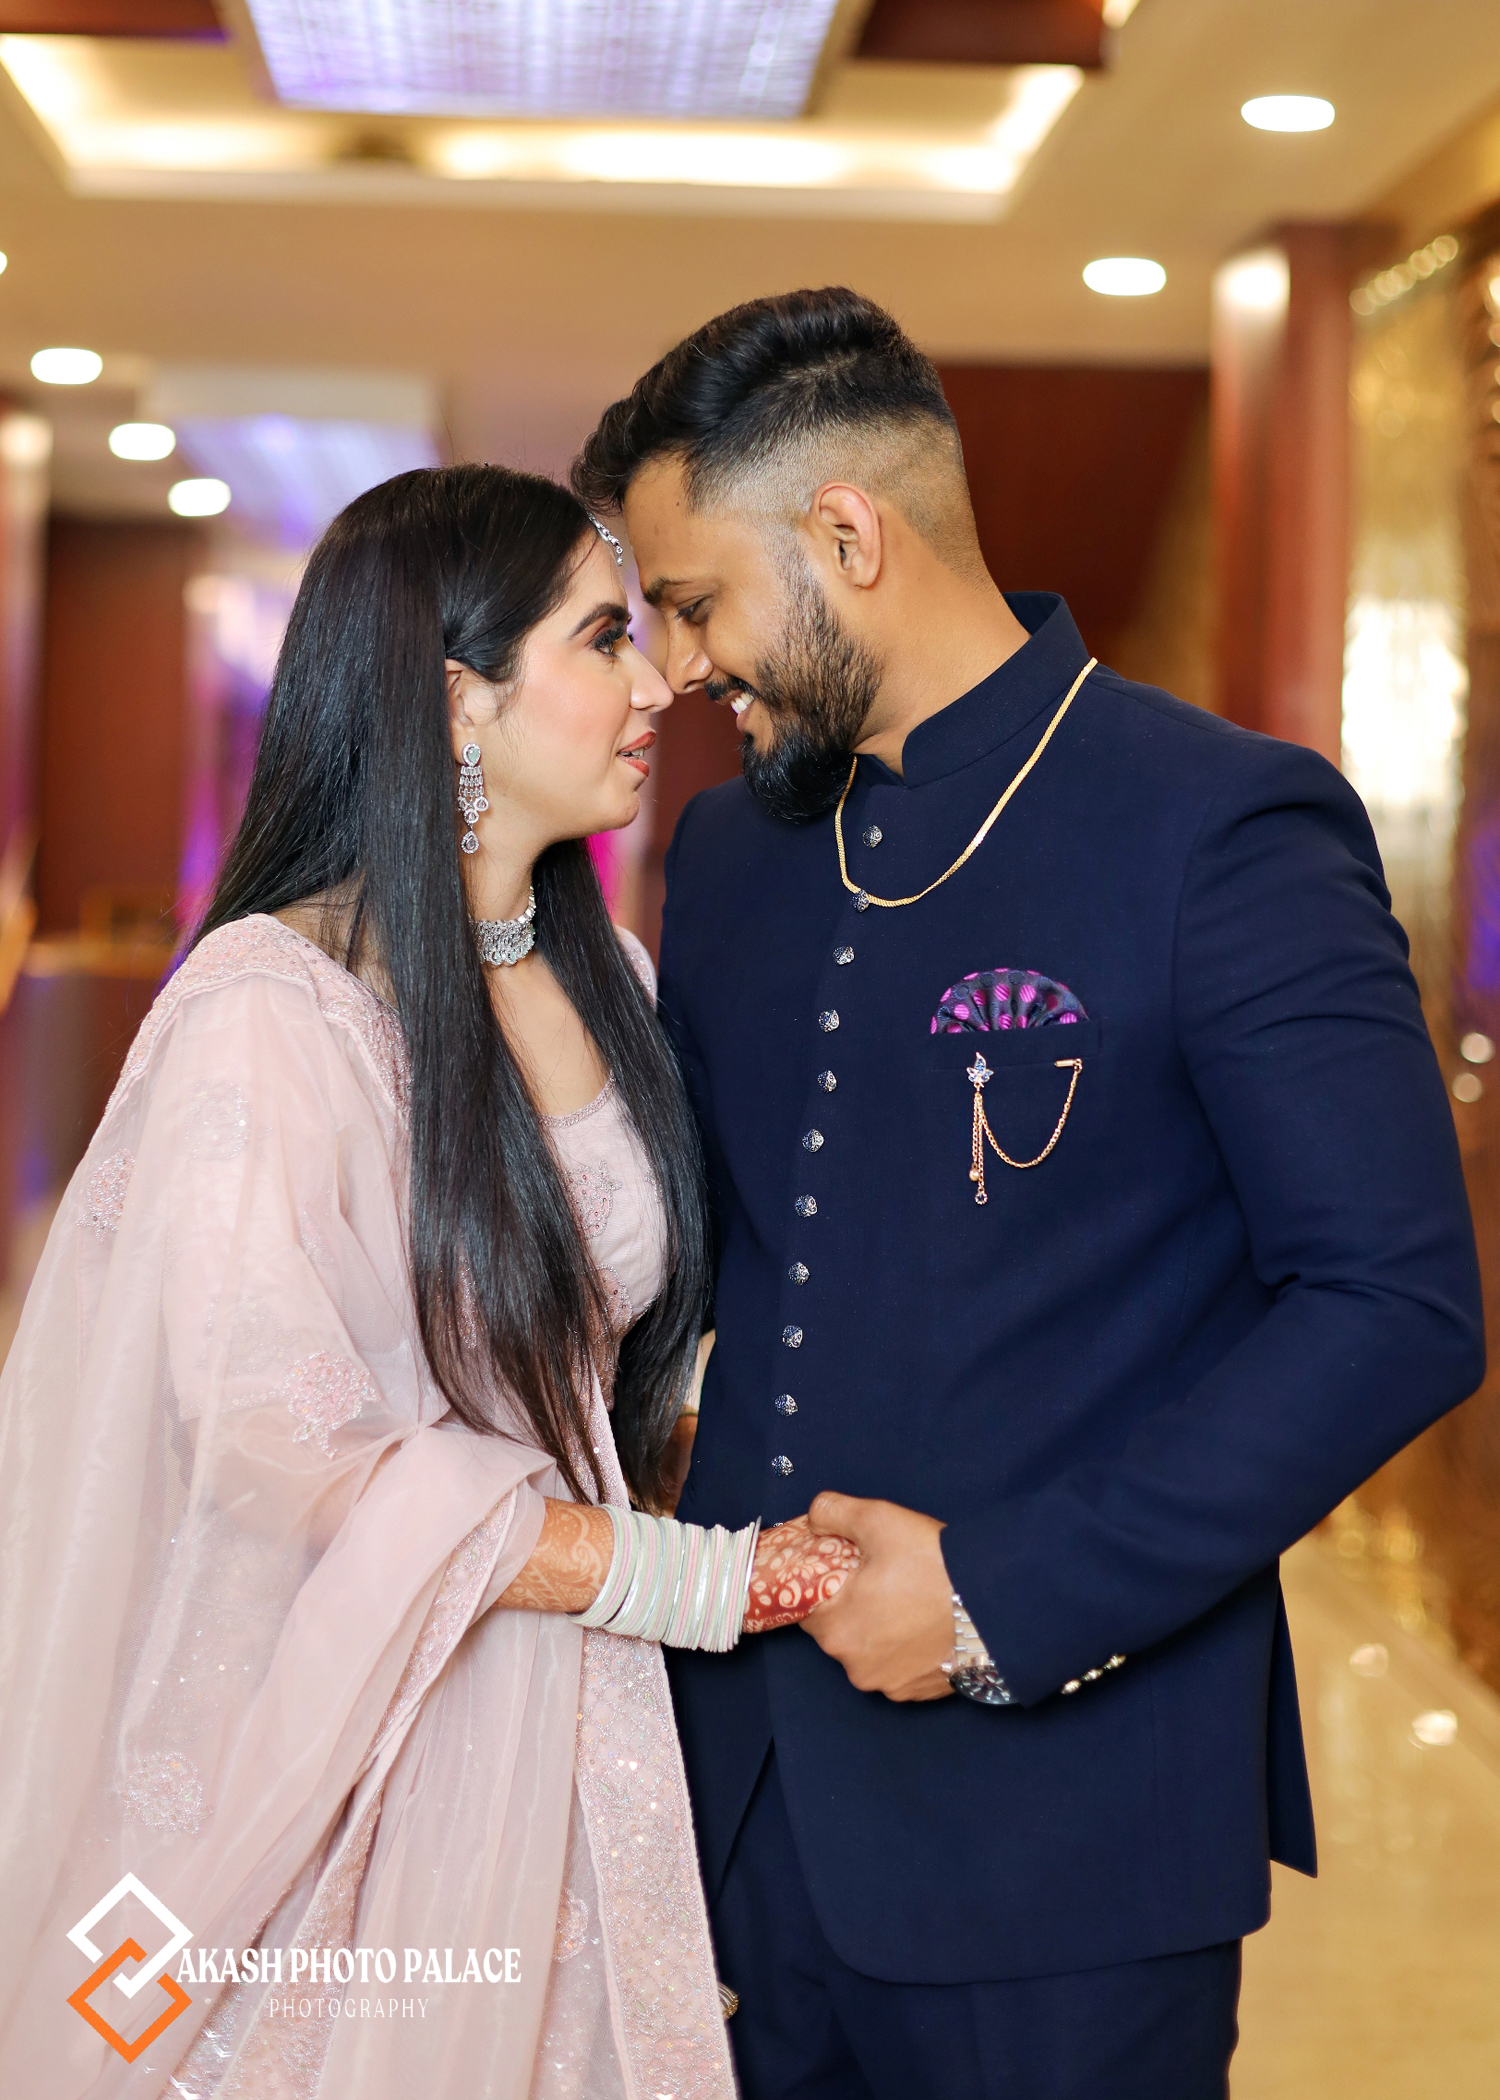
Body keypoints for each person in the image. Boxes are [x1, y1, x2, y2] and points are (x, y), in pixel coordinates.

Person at [571, 288, 1486, 2099]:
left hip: (1071, 1826)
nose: (674, 668)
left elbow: (1395, 1306)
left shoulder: (1221, 828)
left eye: (694, 603)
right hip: (735, 1800)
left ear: (849, 536)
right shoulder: (729, 854)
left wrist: (999, 1595)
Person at [0, 464, 857, 2099]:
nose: (658, 684)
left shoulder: (610, 977)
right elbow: (281, 1443)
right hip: (360, 1718)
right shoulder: (270, 1008)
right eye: (602, 639)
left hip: (569, 1689)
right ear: (461, 699)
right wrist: (689, 1580)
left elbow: (597, 1368)